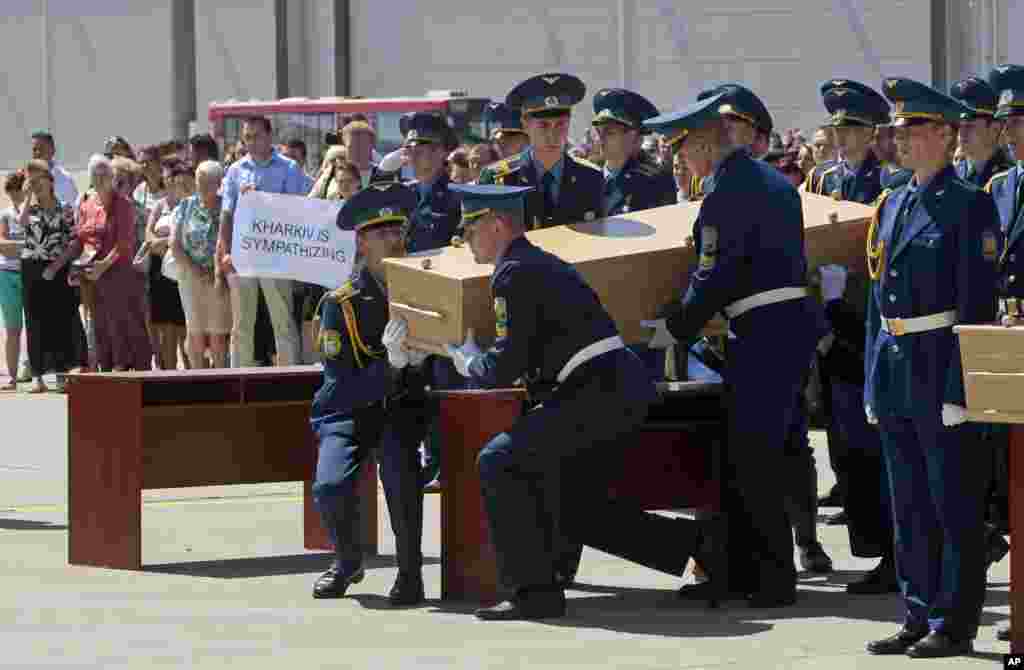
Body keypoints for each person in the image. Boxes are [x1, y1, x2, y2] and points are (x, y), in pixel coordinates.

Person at [430, 184, 701, 621]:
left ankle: (532, 592)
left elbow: (507, 362)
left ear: (497, 225)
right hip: (609, 387)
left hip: (597, 390)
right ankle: (705, 550)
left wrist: (471, 363)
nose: (465, 239)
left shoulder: (513, 272)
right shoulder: (535, 263)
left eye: (471, 228)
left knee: (500, 461)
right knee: (573, 506)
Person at [643, 93, 821, 608]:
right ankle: (745, 571)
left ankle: (771, 580)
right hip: (786, 327)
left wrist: (675, 327)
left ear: (703, 143)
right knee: (761, 453)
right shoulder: (770, 180)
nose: (683, 162)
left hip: (762, 332)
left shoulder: (725, 192)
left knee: (754, 459)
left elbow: (713, 276)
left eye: (684, 151)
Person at [862, 77, 998, 658]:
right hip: (896, 365)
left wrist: (960, 386)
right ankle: (917, 612)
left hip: (940, 362)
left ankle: (953, 621)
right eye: (898, 129)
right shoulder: (893, 202)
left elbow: (976, 303)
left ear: (944, 135)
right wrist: (873, 376)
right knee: (909, 504)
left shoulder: (969, 203)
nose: (901, 139)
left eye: (913, 128)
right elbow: (878, 299)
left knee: (952, 504)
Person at [309, 182, 430, 606]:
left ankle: (410, 573)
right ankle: (347, 561)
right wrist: (392, 364)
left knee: (402, 476)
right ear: (361, 242)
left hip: (399, 408)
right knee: (330, 485)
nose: (393, 240)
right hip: (348, 409)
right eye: (381, 233)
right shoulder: (340, 303)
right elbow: (341, 379)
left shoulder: (421, 290)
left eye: (396, 230)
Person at [810, 79, 901, 594]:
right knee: (844, 448)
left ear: (872, 133)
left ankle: (892, 552)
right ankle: (871, 547)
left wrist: (850, 287)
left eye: (854, 128)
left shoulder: (885, 183)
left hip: (864, 321)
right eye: (838, 128)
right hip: (827, 325)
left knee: (872, 446)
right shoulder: (821, 180)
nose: (843, 137)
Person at [982, 63, 1024, 644]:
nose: (1011, 132)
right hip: (1005, 339)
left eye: (1020, 122)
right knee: (1010, 477)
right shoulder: (1001, 187)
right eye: (1007, 123)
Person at [216, 116, 307, 368]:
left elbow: (296, 210)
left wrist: (262, 199)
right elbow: (226, 214)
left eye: (256, 136)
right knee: (241, 324)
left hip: (276, 255)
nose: (251, 142)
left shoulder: (289, 167)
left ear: (269, 136)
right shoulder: (235, 170)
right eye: (247, 137)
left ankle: (289, 376)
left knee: (283, 322)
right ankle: (238, 379)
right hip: (242, 254)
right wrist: (225, 251)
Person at [477, 73, 603, 229]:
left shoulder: (591, 178)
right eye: (543, 126)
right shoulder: (498, 179)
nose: (552, 135)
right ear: (525, 124)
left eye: (560, 125)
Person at [62, 155, 152, 372]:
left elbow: (125, 242)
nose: (100, 178)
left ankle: (127, 367)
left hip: (118, 273)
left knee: (123, 323)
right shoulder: (87, 204)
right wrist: (73, 265)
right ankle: (106, 367)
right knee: (99, 325)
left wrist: (103, 265)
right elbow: (80, 237)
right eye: (96, 174)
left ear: (112, 176)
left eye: (104, 173)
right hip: (91, 275)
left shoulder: (123, 204)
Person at [171, 161, 231, 369]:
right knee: (194, 331)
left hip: (218, 278)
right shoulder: (186, 206)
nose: (202, 186)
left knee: (217, 334)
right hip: (190, 276)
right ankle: (197, 378)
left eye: (208, 182)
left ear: (219, 183)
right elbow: (174, 244)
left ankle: (221, 378)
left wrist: (217, 272)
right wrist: (194, 269)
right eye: (199, 181)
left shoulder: (227, 207)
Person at [591, 88, 677, 217]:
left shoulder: (655, 181)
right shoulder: (586, 177)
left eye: (610, 133)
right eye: (598, 132)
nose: (601, 139)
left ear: (636, 138)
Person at [950, 76, 1014, 188]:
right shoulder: (952, 174)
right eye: (959, 125)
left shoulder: (1010, 178)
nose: (962, 133)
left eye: (970, 126)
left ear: (994, 129)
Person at [0, 172, 27, 389]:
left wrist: (14, 246)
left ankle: (34, 371)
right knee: (12, 328)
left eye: (16, 192)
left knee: (35, 326)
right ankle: (12, 376)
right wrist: (23, 246)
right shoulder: (5, 215)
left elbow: (35, 244)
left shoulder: (32, 213)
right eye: (10, 194)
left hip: (30, 274)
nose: (14, 197)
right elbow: (2, 246)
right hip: (7, 274)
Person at [31, 131, 78, 205]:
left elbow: (73, 208)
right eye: (34, 150)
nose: (37, 153)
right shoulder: (25, 178)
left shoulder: (65, 180)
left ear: (53, 150)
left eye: (41, 148)